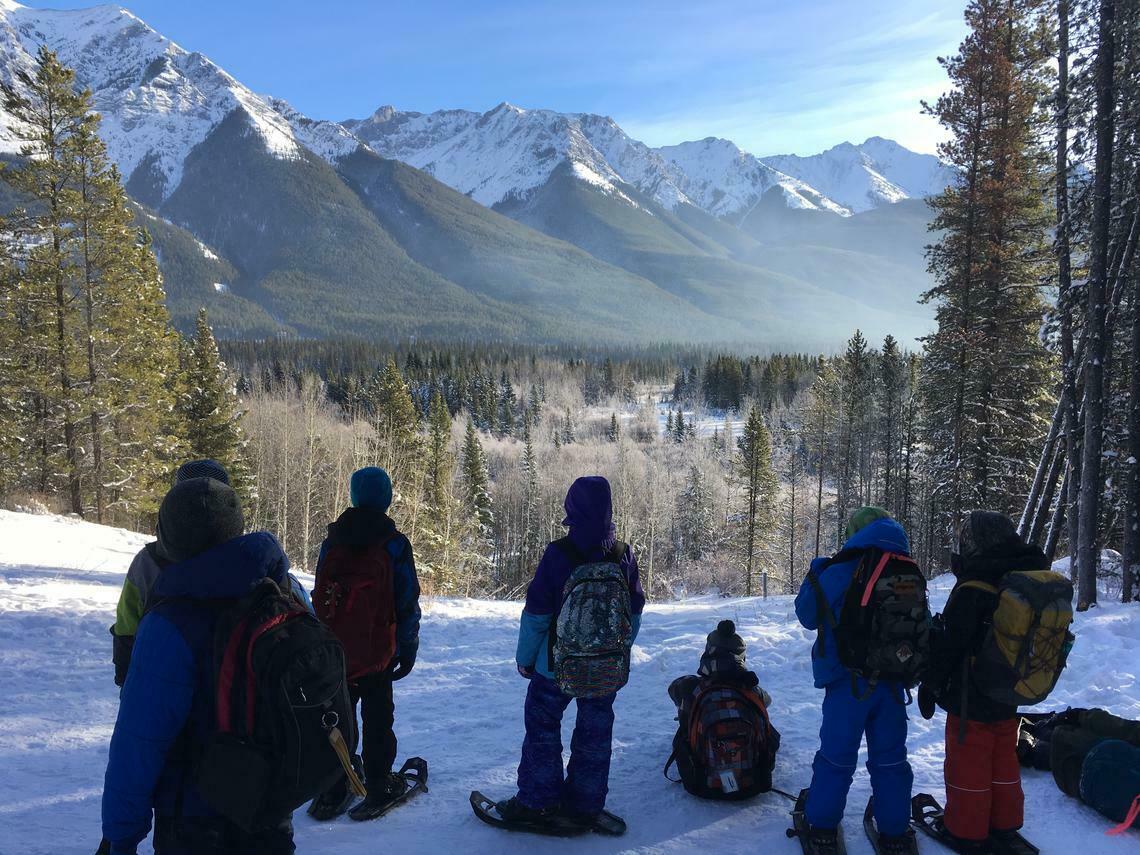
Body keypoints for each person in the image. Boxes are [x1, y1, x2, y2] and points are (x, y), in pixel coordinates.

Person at [101, 477, 296, 855]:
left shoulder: (170, 623)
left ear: (169, 541)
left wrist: (121, 836)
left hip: (193, 817)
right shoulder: (285, 591)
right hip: (270, 807)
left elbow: (139, 742)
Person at [498, 475, 645, 827]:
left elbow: (537, 614)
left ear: (571, 508)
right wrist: (618, 650)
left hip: (555, 668)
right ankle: (585, 804)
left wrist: (525, 660)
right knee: (596, 732)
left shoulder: (559, 554)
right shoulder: (624, 555)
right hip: (605, 668)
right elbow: (634, 612)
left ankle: (538, 801)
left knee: (543, 725)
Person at [109, 460, 311, 687]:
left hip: (166, 686)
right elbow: (307, 620)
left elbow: (127, 627)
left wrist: (126, 677)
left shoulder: (147, 563)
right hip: (249, 695)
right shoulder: (261, 560)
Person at [918, 511, 1049, 852]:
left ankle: (966, 829)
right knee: (1002, 756)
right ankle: (1004, 822)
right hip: (1010, 689)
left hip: (970, 694)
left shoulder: (975, 585)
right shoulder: (1022, 579)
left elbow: (951, 643)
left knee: (969, 762)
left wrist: (930, 685)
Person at [794, 506, 915, 853]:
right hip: (893, 683)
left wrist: (818, 570)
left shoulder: (841, 568)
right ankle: (894, 832)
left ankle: (822, 828)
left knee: (837, 756)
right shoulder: (905, 566)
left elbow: (806, 614)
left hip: (848, 682)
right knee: (891, 758)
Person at [307, 466, 421, 822]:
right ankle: (377, 781)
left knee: (337, 716)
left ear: (354, 496)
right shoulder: (395, 544)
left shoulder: (332, 541)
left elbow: (323, 595)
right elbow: (406, 600)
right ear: (386, 498)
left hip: (336, 651)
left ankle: (333, 782)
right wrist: (408, 645)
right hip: (378, 651)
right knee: (377, 717)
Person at [666, 619, 779, 800]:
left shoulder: (690, 687)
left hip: (702, 782)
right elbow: (768, 701)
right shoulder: (750, 690)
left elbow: (672, 690)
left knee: (685, 724)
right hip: (753, 783)